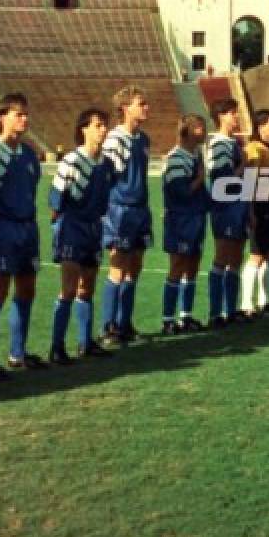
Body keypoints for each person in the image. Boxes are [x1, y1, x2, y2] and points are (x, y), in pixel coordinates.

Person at [0, 93, 44, 379]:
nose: (24, 119)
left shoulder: (28, 154)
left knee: (26, 289)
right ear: (2, 117)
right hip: (1, 229)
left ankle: (17, 352)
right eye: (18, 114)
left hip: (27, 227)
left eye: (26, 114)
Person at [48, 108, 114, 363]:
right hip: (72, 226)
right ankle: (57, 346)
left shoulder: (107, 164)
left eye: (104, 124)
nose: (103, 129)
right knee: (68, 288)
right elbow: (55, 200)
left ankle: (86, 343)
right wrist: (61, 229)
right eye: (97, 125)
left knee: (88, 286)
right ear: (84, 129)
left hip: (93, 227)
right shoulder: (71, 161)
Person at [99, 86, 153, 345]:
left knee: (135, 267)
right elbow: (106, 178)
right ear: (124, 108)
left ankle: (124, 324)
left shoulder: (143, 139)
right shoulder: (114, 140)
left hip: (140, 210)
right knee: (118, 267)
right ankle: (108, 327)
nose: (146, 107)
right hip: (119, 210)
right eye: (141, 103)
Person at [160, 114, 209, 334]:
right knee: (178, 265)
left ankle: (186, 316)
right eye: (199, 128)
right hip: (180, 219)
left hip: (196, 217)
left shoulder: (197, 154)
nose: (204, 131)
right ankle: (168, 319)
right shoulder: (176, 158)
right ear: (187, 131)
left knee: (193, 266)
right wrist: (200, 178)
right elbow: (181, 192)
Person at [205, 97, 247, 324]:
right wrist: (243, 167)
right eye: (232, 113)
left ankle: (231, 310)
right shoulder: (218, 144)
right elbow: (223, 179)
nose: (236, 116)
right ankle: (215, 313)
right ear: (220, 117)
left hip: (239, 205)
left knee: (237, 257)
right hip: (225, 206)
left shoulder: (234, 143)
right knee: (223, 256)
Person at [241, 109, 269, 316]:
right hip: (259, 208)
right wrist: (251, 212)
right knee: (256, 255)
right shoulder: (254, 150)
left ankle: (267, 301)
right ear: (261, 127)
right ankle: (247, 304)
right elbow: (249, 183)